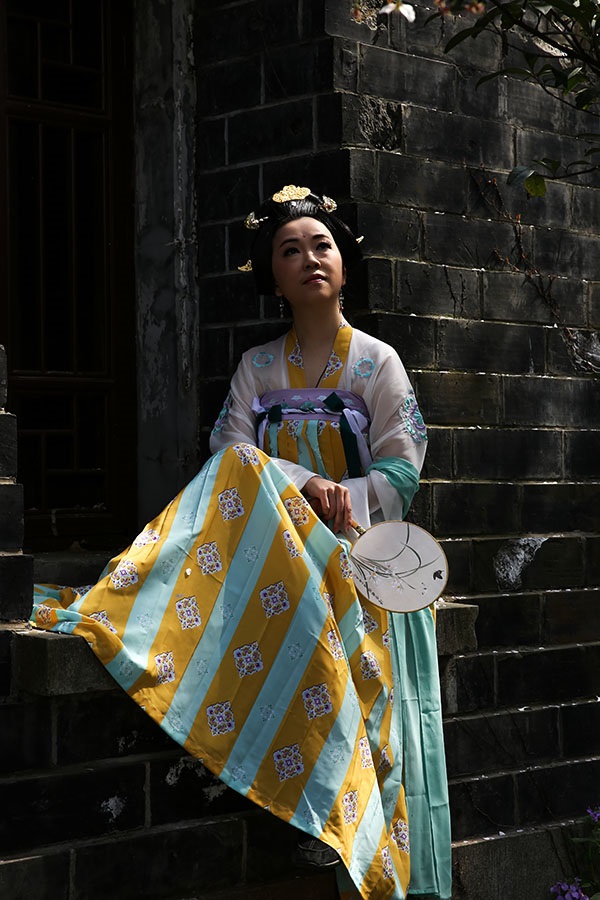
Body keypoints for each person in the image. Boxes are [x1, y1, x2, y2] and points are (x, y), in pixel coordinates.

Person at [31, 185, 451, 900]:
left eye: (322, 246)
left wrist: (340, 497)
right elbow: (231, 457)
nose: (309, 258)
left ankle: (343, 817)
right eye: (290, 250)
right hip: (276, 548)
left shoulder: (377, 362)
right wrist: (302, 485)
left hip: (358, 547)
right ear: (273, 277)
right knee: (238, 466)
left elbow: (403, 469)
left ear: (343, 264)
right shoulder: (257, 368)